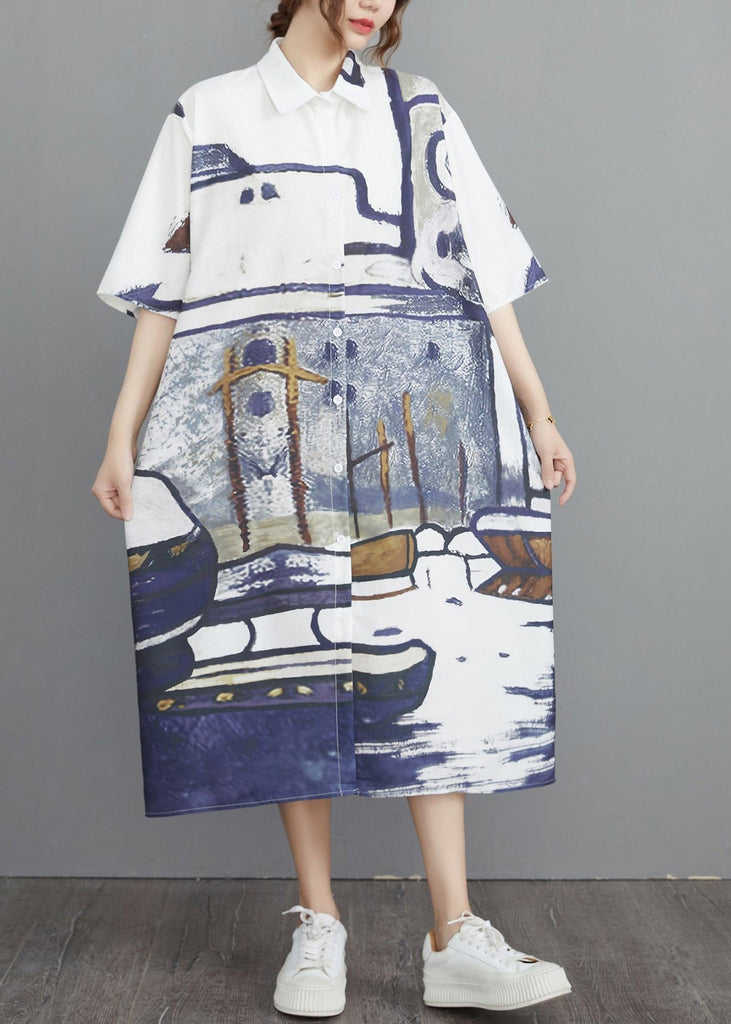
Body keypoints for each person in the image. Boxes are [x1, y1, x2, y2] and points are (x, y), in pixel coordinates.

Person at [92, 0, 577, 1015]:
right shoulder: (210, 112)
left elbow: (484, 270)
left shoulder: (418, 110)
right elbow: (162, 289)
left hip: (385, 420)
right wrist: (121, 432)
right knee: (289, 667)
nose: (375, 3)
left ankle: (454, 932)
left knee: (438, 665)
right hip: (269, 423)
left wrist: (537, 410)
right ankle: (318, 925)